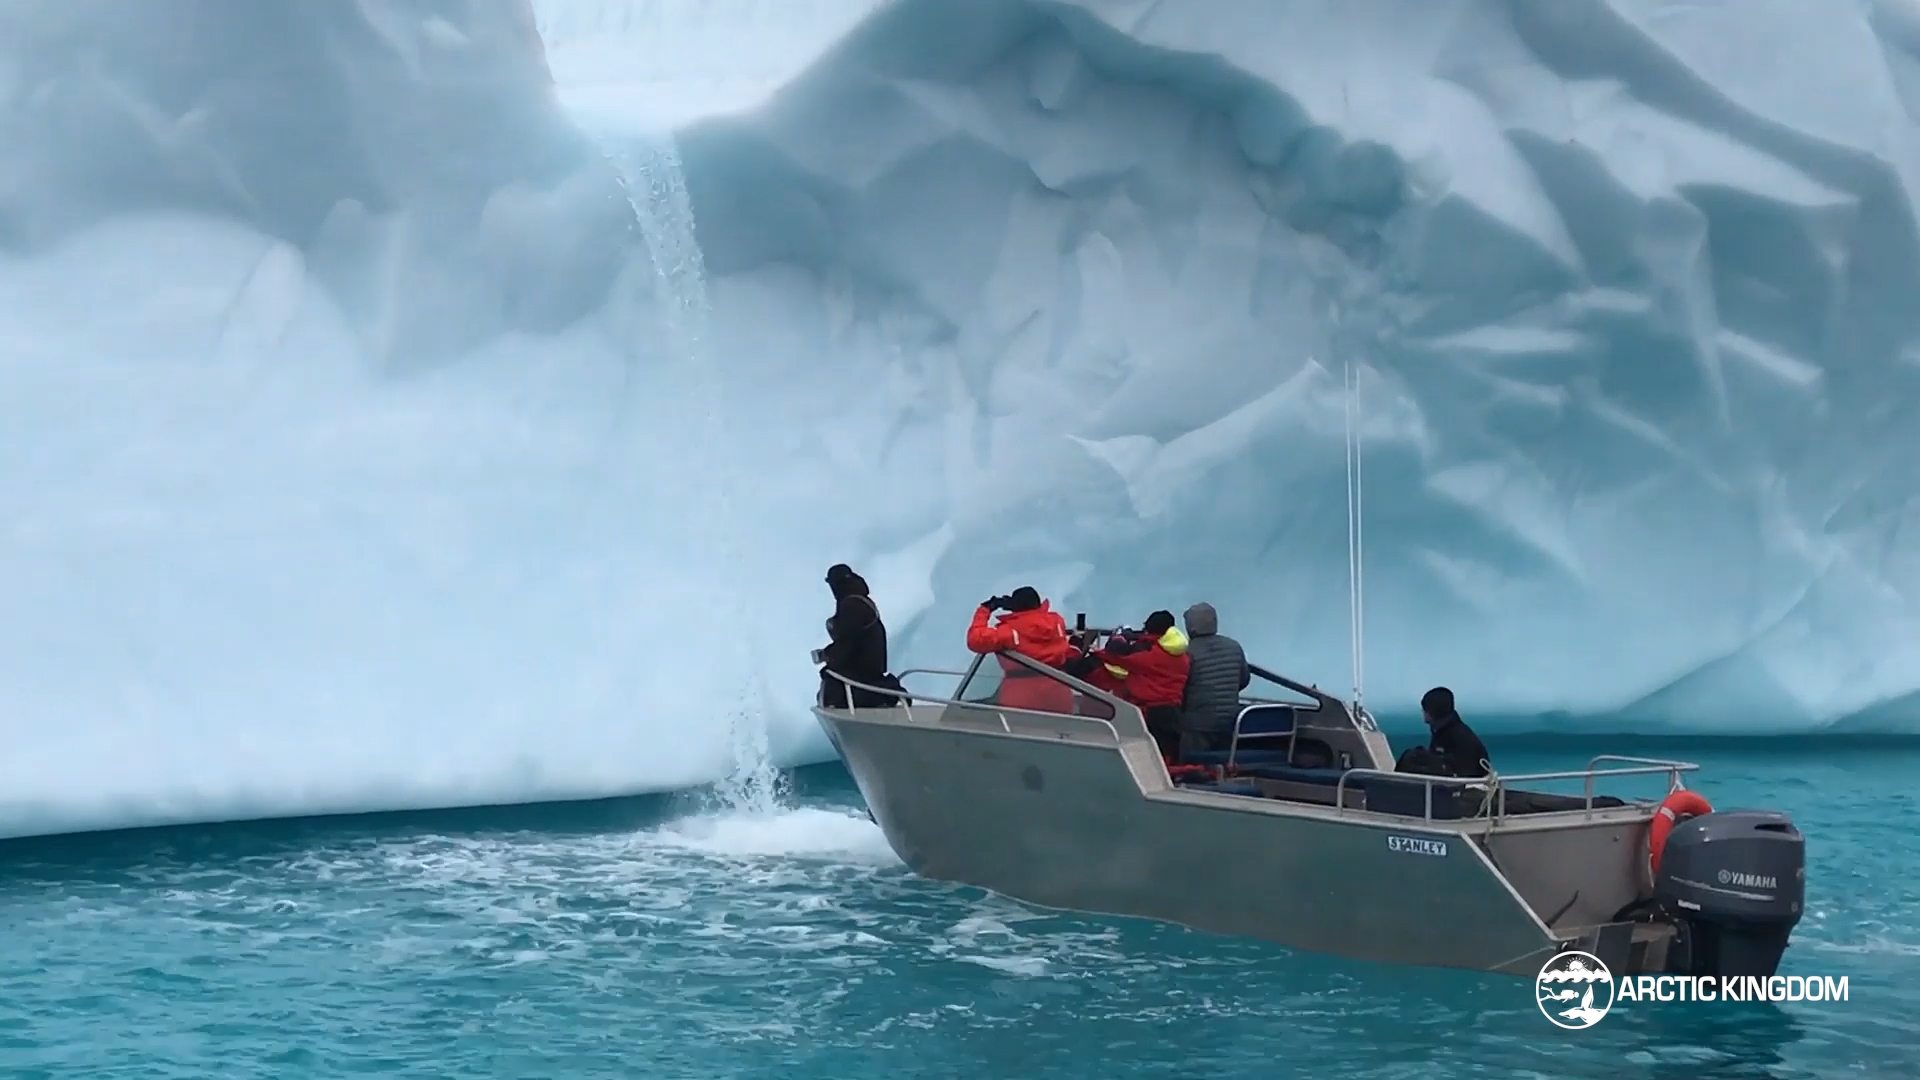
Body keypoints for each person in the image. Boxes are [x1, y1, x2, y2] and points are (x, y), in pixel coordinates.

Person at [1089, 610, 1191, 760]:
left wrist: (1099, 653)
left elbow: (1127, 661)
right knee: (1170, 758)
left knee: (1156, 760)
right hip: (1173, 713)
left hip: (1155, 714)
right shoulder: (1182, 656)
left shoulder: (1154, 657)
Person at [966, 586, 1075, 713]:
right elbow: (1034, 618)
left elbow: (975, 640)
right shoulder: (1057, 622)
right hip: (1058, 695)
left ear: (1015, 606)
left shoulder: (1010, 632)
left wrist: (985, 609)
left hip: (1023, 699)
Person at [817, 563, 900, 709]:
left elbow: (848, 641)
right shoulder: (858, 600)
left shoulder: (852, 605)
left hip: (863, 667)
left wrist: (828, 654)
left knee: (832, 682)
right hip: (869, 665)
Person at [1178, 601, 1250, 760]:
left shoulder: (1187, 652)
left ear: (1191, 626)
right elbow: (1244, 679)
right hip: (1231, 721)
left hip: (1198, 724)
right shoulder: (1233, 647)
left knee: (1189, 759)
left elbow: (1180, 689)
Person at [1407, 686, 1490, 778]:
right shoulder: (1440, 732)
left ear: (1431, 712)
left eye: (1425, 709)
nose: (1423, 712)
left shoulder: (1461, 738)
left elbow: (1465, 772)